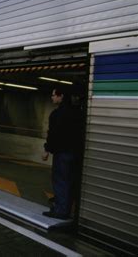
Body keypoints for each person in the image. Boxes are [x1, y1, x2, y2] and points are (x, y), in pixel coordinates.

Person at [42, 88, 83, 220]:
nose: (52, 98)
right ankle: (67, 209)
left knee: (60, 181)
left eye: (54, 95)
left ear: (61, 97)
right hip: (75, 154)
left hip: (62, 154)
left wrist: (46, 150)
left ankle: (61, 211)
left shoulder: (57, 114)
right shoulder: (78, 113)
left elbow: (53, 135)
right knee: (70, 182)